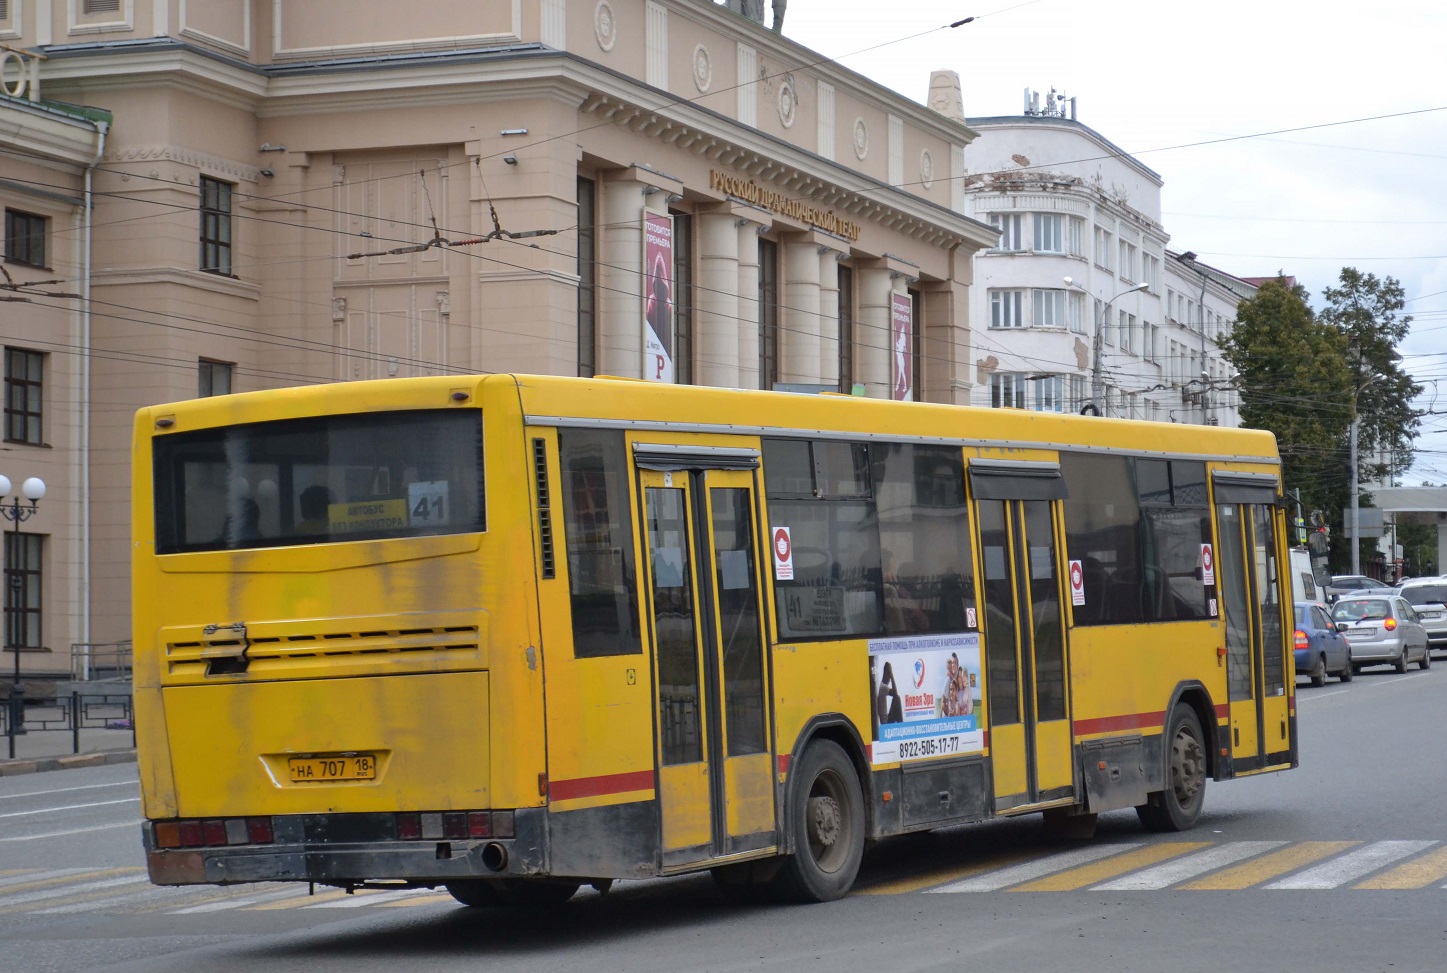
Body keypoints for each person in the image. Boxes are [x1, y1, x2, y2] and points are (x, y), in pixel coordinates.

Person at [875, 661, 903, 725]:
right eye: (889, 676)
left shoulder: (882, 686)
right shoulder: (883, 687)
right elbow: (895, 693)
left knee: (896, 699)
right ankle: (901, 724)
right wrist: (891, 675)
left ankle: (901, 723)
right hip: (886, 722)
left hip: (886, 718)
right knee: (897, 698)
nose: (890, 680)